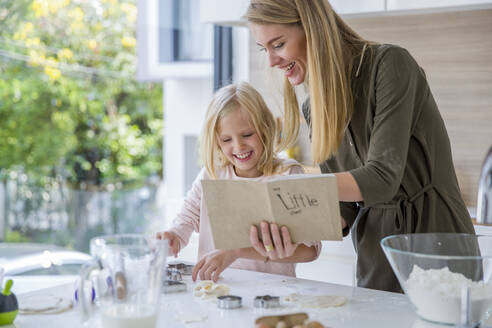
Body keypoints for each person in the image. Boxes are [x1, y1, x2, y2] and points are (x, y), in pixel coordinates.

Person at [244, 0, 475, 293]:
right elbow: (345, 208)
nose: (271, 62)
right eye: (264, 49)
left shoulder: (390, 64)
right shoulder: (314, 107)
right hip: (377, 258)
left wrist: (298, 188)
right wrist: (290, 234)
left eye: (277, 44)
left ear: (314, 30)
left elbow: (382, 178)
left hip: (438, 244)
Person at [156, 82, 321, 282]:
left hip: (274, 294)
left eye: (247, 135)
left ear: (265, 127)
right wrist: (173, 237)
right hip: (215, 292)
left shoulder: (289, 174)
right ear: (216, 140)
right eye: (226, 140)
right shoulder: (211, 175)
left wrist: (236, 251)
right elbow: (186, 220)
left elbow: (310, 250)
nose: (238, 146)